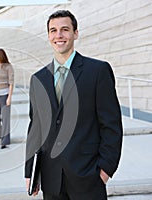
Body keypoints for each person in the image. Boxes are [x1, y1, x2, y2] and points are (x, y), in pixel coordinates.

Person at [25, 10, 123, 199]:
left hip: (88, 176)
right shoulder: (38, 79)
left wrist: (105, 170)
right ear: (48, 36)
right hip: (51, 178)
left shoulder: (98, 71)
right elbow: (35, 128)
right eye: (53, 31)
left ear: (75, 33)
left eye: (65, 29)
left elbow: (111, 125)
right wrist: (30, 171)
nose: (58, 35)